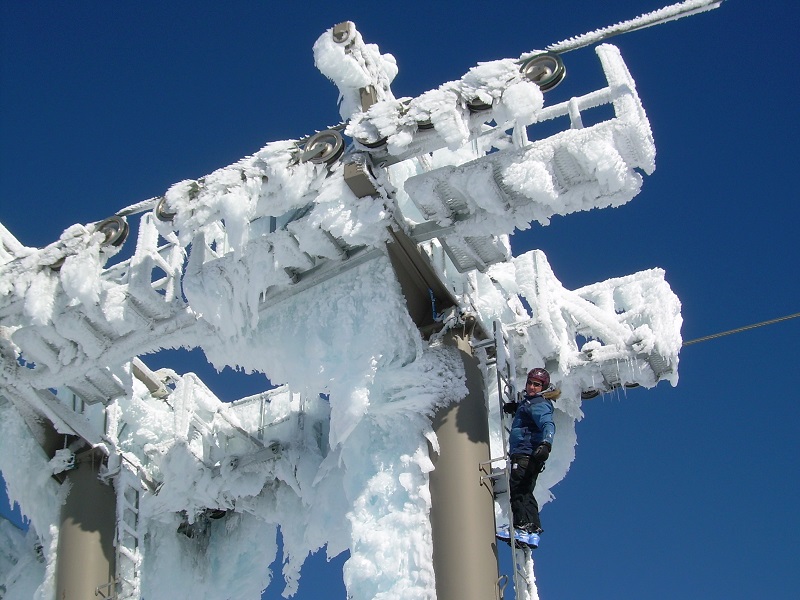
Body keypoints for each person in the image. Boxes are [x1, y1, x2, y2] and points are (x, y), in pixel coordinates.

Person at [499, 367, 557, 548]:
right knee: (526, 491)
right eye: (530, 383)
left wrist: (546, 443)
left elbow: (547, 423)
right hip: (531, 457)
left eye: (537, 385)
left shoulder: (538, 403)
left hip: (525, 453)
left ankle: (521, 528)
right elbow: (530, 413)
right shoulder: (531, 403)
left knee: (517, 490)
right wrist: (517, 408)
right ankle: (532, 531)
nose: (532, 387)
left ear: (544, 387)